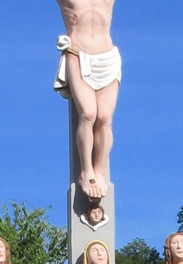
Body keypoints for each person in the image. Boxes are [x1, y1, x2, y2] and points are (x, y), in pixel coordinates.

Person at [54, 0, 119, 201]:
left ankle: (99, 170)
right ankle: (86, 171)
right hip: (77, 53)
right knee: (89, 113)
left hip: (107, 54)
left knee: (105, 117)